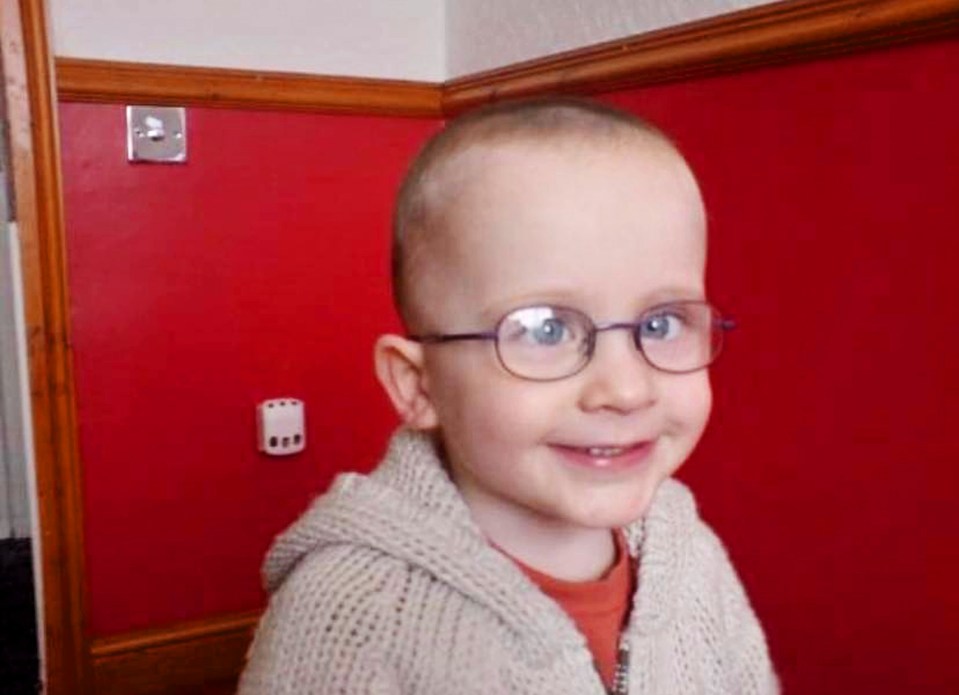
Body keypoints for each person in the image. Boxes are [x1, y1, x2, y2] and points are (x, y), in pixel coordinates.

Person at [238, 98, 778, 694]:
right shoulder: (350, 615)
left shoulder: (691, 556)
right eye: (544, 329)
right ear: (419, 385)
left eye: (662, 323)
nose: (625, 390)